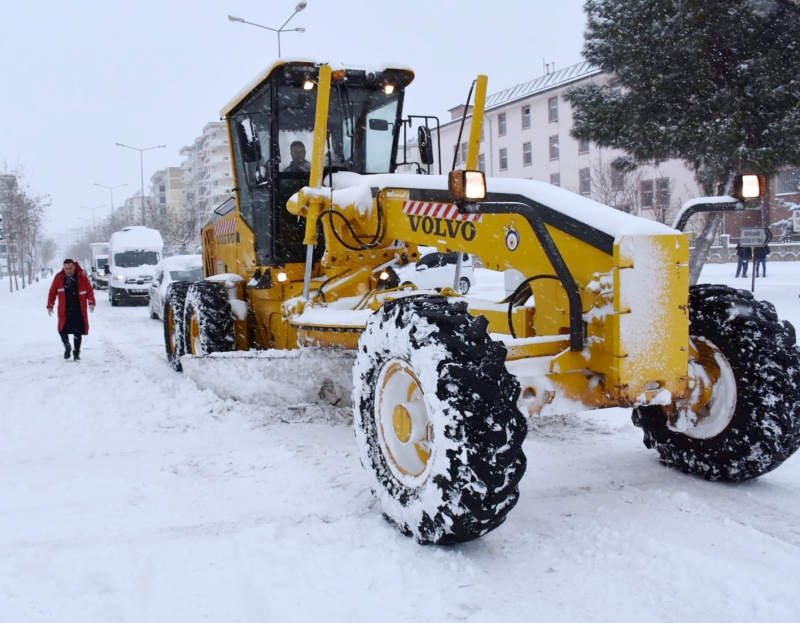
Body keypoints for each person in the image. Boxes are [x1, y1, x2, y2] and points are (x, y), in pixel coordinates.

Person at [47, 259, 95, 361]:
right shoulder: (59, 278)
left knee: (78, 332)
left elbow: (89, 291)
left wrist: (91, 302)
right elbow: (52, 292)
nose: (68, 271)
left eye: (70, 268)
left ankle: (76, 352)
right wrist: (50, 305)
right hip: (65, 310)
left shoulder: (81, 277)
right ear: (63, 268)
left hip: (78, 309)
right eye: (66, 269)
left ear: (74, 267)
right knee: (62, 330)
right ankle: (67, 347)